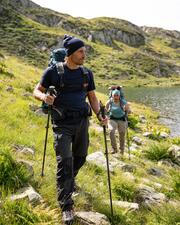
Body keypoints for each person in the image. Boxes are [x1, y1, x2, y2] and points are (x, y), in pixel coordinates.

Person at [33, 34, 106, 225]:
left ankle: (67, 182)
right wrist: (43, 98)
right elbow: (37, 90)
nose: (84, 55)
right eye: (81, 51)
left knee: (80, 158)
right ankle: (66, 206)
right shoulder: (53, 72)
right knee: (65, 162)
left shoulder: (86, 74)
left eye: (84, 51)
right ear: (70, 53)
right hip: (62, 124)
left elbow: (92, 97)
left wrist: (100, 116)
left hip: (82, 122)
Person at [105, 89, 130, 155]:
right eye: (114, 95)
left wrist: (127, 110)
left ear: (119, 96)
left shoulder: (123, 101)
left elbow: (128, 110)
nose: (116, 97)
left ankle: (121, 150)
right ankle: (114, 149)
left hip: (121, 119)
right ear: (112, 96)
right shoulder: (109, 101)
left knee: (122, 134)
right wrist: (106, 115)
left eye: (117, 95)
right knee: (111, 131)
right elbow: (105, 109)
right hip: (112, 119)